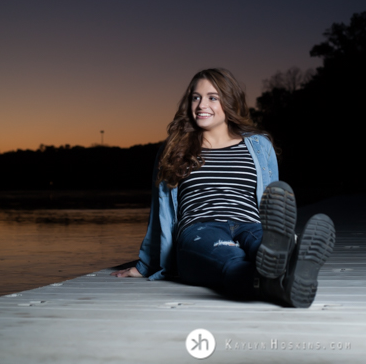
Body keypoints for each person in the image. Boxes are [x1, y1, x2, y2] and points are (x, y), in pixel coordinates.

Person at [111, 68, 335, 307]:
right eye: (195, 97)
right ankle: (287, 280)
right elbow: (160, 213)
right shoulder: (175, 149)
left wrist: (274, 229)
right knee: (231, 261)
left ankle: (285, 259)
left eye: (212, 97)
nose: (200, 105)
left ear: (229, 102)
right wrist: (146, 264)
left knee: (266, 249)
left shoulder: (259, 146)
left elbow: (273, 202)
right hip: (201, 229)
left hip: (250, 224)